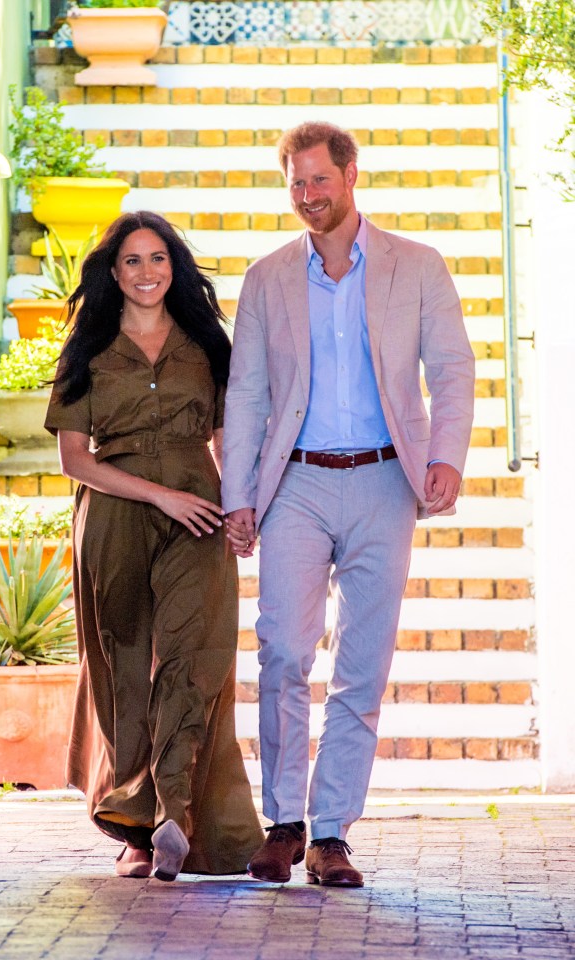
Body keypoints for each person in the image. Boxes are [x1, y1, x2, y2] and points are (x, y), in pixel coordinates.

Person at [222, 122, 475, 887]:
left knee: (361, 665)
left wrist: (444, 458)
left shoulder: (417, 266)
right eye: (296, 183)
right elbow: (249, 396)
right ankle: (284, 826)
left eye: (319, 181)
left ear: (351, 174)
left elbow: (453, 369)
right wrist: (239, 496)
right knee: (285, 656)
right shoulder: (267, 279)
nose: (308, 196)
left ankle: (332, 834)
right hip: (293, 484)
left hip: (383, 483)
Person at [45, 210, 263, 880]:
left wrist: (240, 504)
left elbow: (230, 437)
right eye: (133, 261)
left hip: (199, 515)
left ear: (176, 268)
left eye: (158, 259)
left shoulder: (206, 344)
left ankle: (173, 815)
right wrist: (158, 494)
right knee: (126, 663)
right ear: (114, 273)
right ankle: (138, 832)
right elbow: (74, 460)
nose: (147, 272)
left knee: (194, 655)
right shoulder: (88, 350)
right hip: (113, 516)